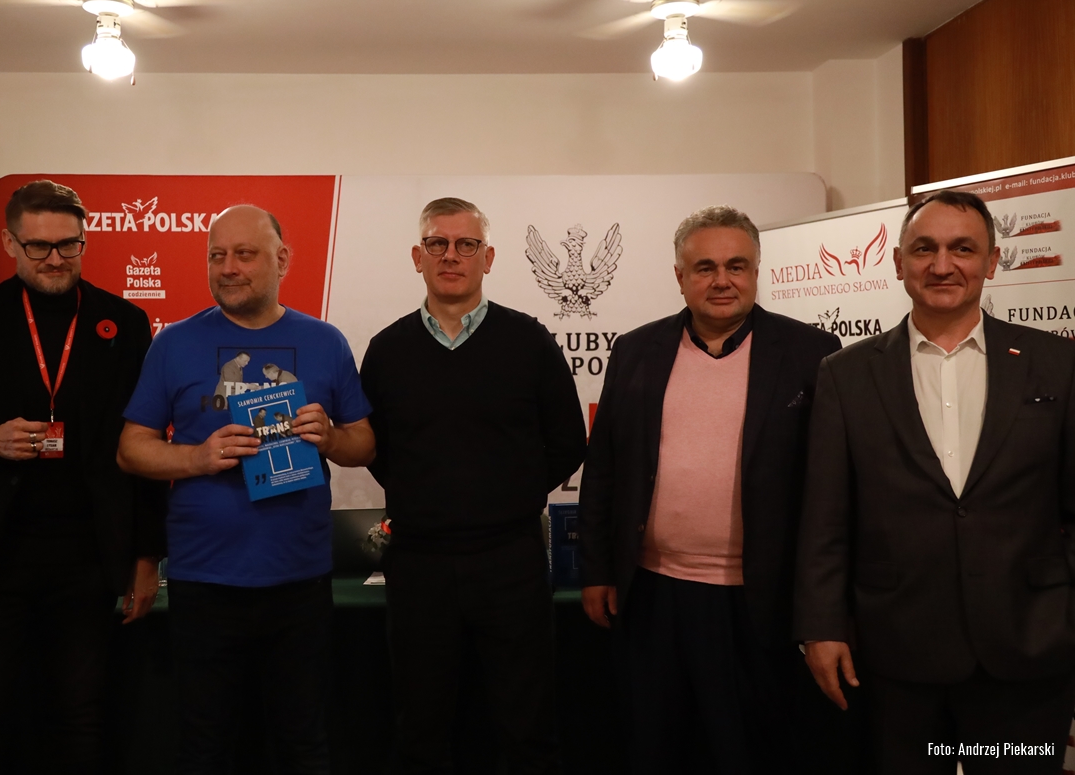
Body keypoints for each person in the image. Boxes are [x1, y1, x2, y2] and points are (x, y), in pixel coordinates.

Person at [795, 190, 1075, 775]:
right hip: (895, 653)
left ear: (992, 262)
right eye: (924, 249)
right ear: (899, 262)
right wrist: (821, 627)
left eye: (962, 249)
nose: (942, 265)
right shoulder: (846, 374)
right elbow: (825, 519)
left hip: (1028, 647)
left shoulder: (1057, 363)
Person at [0, 180, 165, 775]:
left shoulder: (123, 323)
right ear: (9, 243)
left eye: (69, 245)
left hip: (85, 560)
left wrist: (147, 554)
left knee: (79, 723)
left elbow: (145, 447)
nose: (55, 259)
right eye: (38, 246)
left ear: (84, 241)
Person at [578, 205, 842, 773]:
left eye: (736, 266)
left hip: (761, 599)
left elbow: (833, 486)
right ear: (680, 276)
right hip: (654, 593)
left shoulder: (811, 352)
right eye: (705, 268)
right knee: (657, 748)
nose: (722, 280)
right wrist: (596, 568)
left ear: (756, 271)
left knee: (750, 751)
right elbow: (604, 468)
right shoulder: (635, 350)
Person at [117, 204, 374, 774]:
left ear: (282, 259)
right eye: (217, 256)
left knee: (303, 743)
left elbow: (364, 445)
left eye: (244, 254)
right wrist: (196, 457)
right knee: (205, 746)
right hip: (204, 580)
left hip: (300, 579)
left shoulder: (325, 341)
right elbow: (131, 448)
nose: (228, 267)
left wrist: (331, 437)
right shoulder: (173, 343)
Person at [360, 197, 586, 775]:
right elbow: (373, 448)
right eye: (437, 243)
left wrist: (506, 495)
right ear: (418, 257)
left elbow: (567, 441)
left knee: (527, 729)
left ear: (488, 257)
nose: (451, 255)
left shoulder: (529, 341)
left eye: (466, 244)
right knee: (421, 730)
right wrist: (426, 494)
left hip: (510, 561)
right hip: (419, 564)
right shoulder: (387, 349)